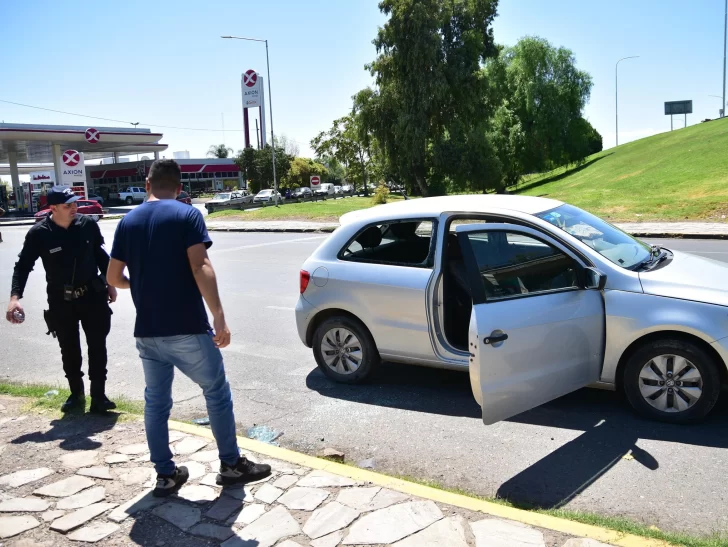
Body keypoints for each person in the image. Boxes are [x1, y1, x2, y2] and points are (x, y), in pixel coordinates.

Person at [106, 159, 271, 497]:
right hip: (186, 327)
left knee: (156, 403)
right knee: (216, 393)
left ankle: (166, 475)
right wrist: (219, 315)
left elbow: (112, 278)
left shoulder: (127, 221)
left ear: (148, 184)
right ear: (180, 188)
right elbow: (200, 265)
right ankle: (230, 465)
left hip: (147, 332)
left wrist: (135, 283)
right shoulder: (187, 215)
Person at [6, 186, 117, 413]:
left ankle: (99, 397)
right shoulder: (39, 233)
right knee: (69, 348)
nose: (74, 208)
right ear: (53, 208)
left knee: (98, 346)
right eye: (68, 205)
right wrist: (14, 297)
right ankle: (76, 394)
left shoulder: (87, 225)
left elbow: (100, 256)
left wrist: (111, 284)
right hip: (61, 300)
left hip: (93, 296)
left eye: (75, 203)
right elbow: (23, 266)